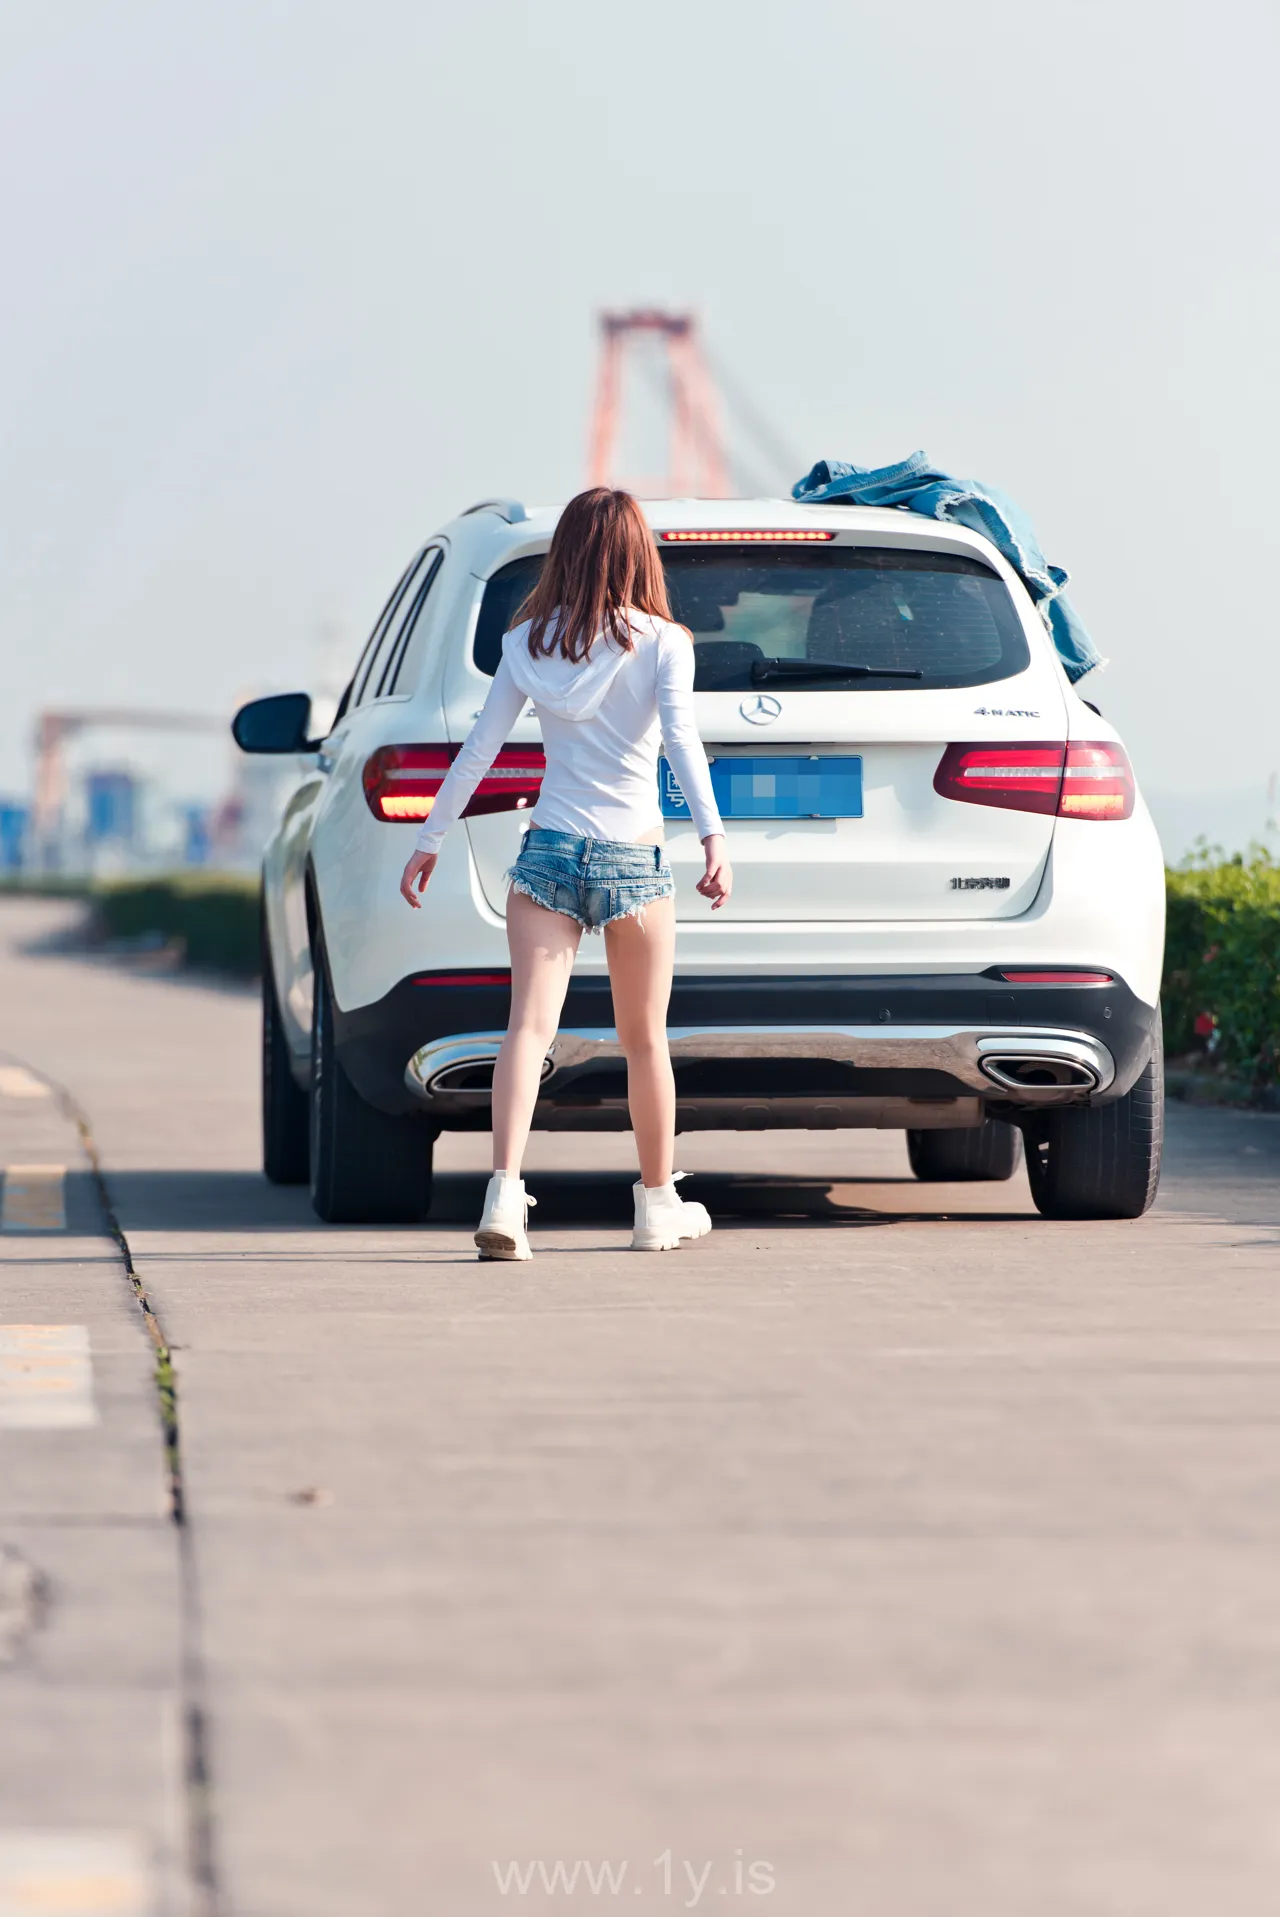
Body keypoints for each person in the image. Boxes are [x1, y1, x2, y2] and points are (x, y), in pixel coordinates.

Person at [398, 487, 732, 1259]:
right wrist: (713, 837)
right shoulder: (664, 642)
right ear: (637, 552)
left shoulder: (528, 641)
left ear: (568, 552)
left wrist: (430, 837)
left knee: (527, 1028)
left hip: (547, 852)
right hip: (634, 860)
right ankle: (655, 1208)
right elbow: (683, 743)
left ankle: (504, 1200)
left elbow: (479, 746)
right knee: (645, 1039)